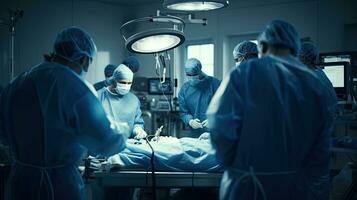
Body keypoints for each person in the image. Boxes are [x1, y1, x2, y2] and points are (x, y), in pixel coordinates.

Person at [206, 20, 337, 200]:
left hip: (247, 185)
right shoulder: (315, 84)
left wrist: (234, 165)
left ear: (263, 45)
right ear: (294, 47)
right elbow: (321, 148)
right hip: (295, 189)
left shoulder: (244, 73)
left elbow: (219, 125)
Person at [0, 27, 127, 200]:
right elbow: (106, 142)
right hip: (58, 186)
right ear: (83, 59)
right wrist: (122, 129)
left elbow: (4, 136)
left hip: (21, 183)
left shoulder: (19, 82)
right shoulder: (74, 87)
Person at [97, 64, 146, 139]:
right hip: (103, 144)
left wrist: (138, 129)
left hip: (127, 146)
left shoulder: (134, 100)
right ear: (114, 81)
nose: (126, 86)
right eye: (123, 83)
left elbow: (137, 122)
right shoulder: (99, 96)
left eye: (129, 83)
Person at [178, 58, 221, 138]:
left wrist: (214, 119)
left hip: (215, 133)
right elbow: (184, 112)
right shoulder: (184, 89)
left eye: (193, 75)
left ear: (199, 72)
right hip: (195, 134)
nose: (191, 77)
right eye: (188, 75)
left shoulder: (214, 84)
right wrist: (190, 121)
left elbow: (225, 107)